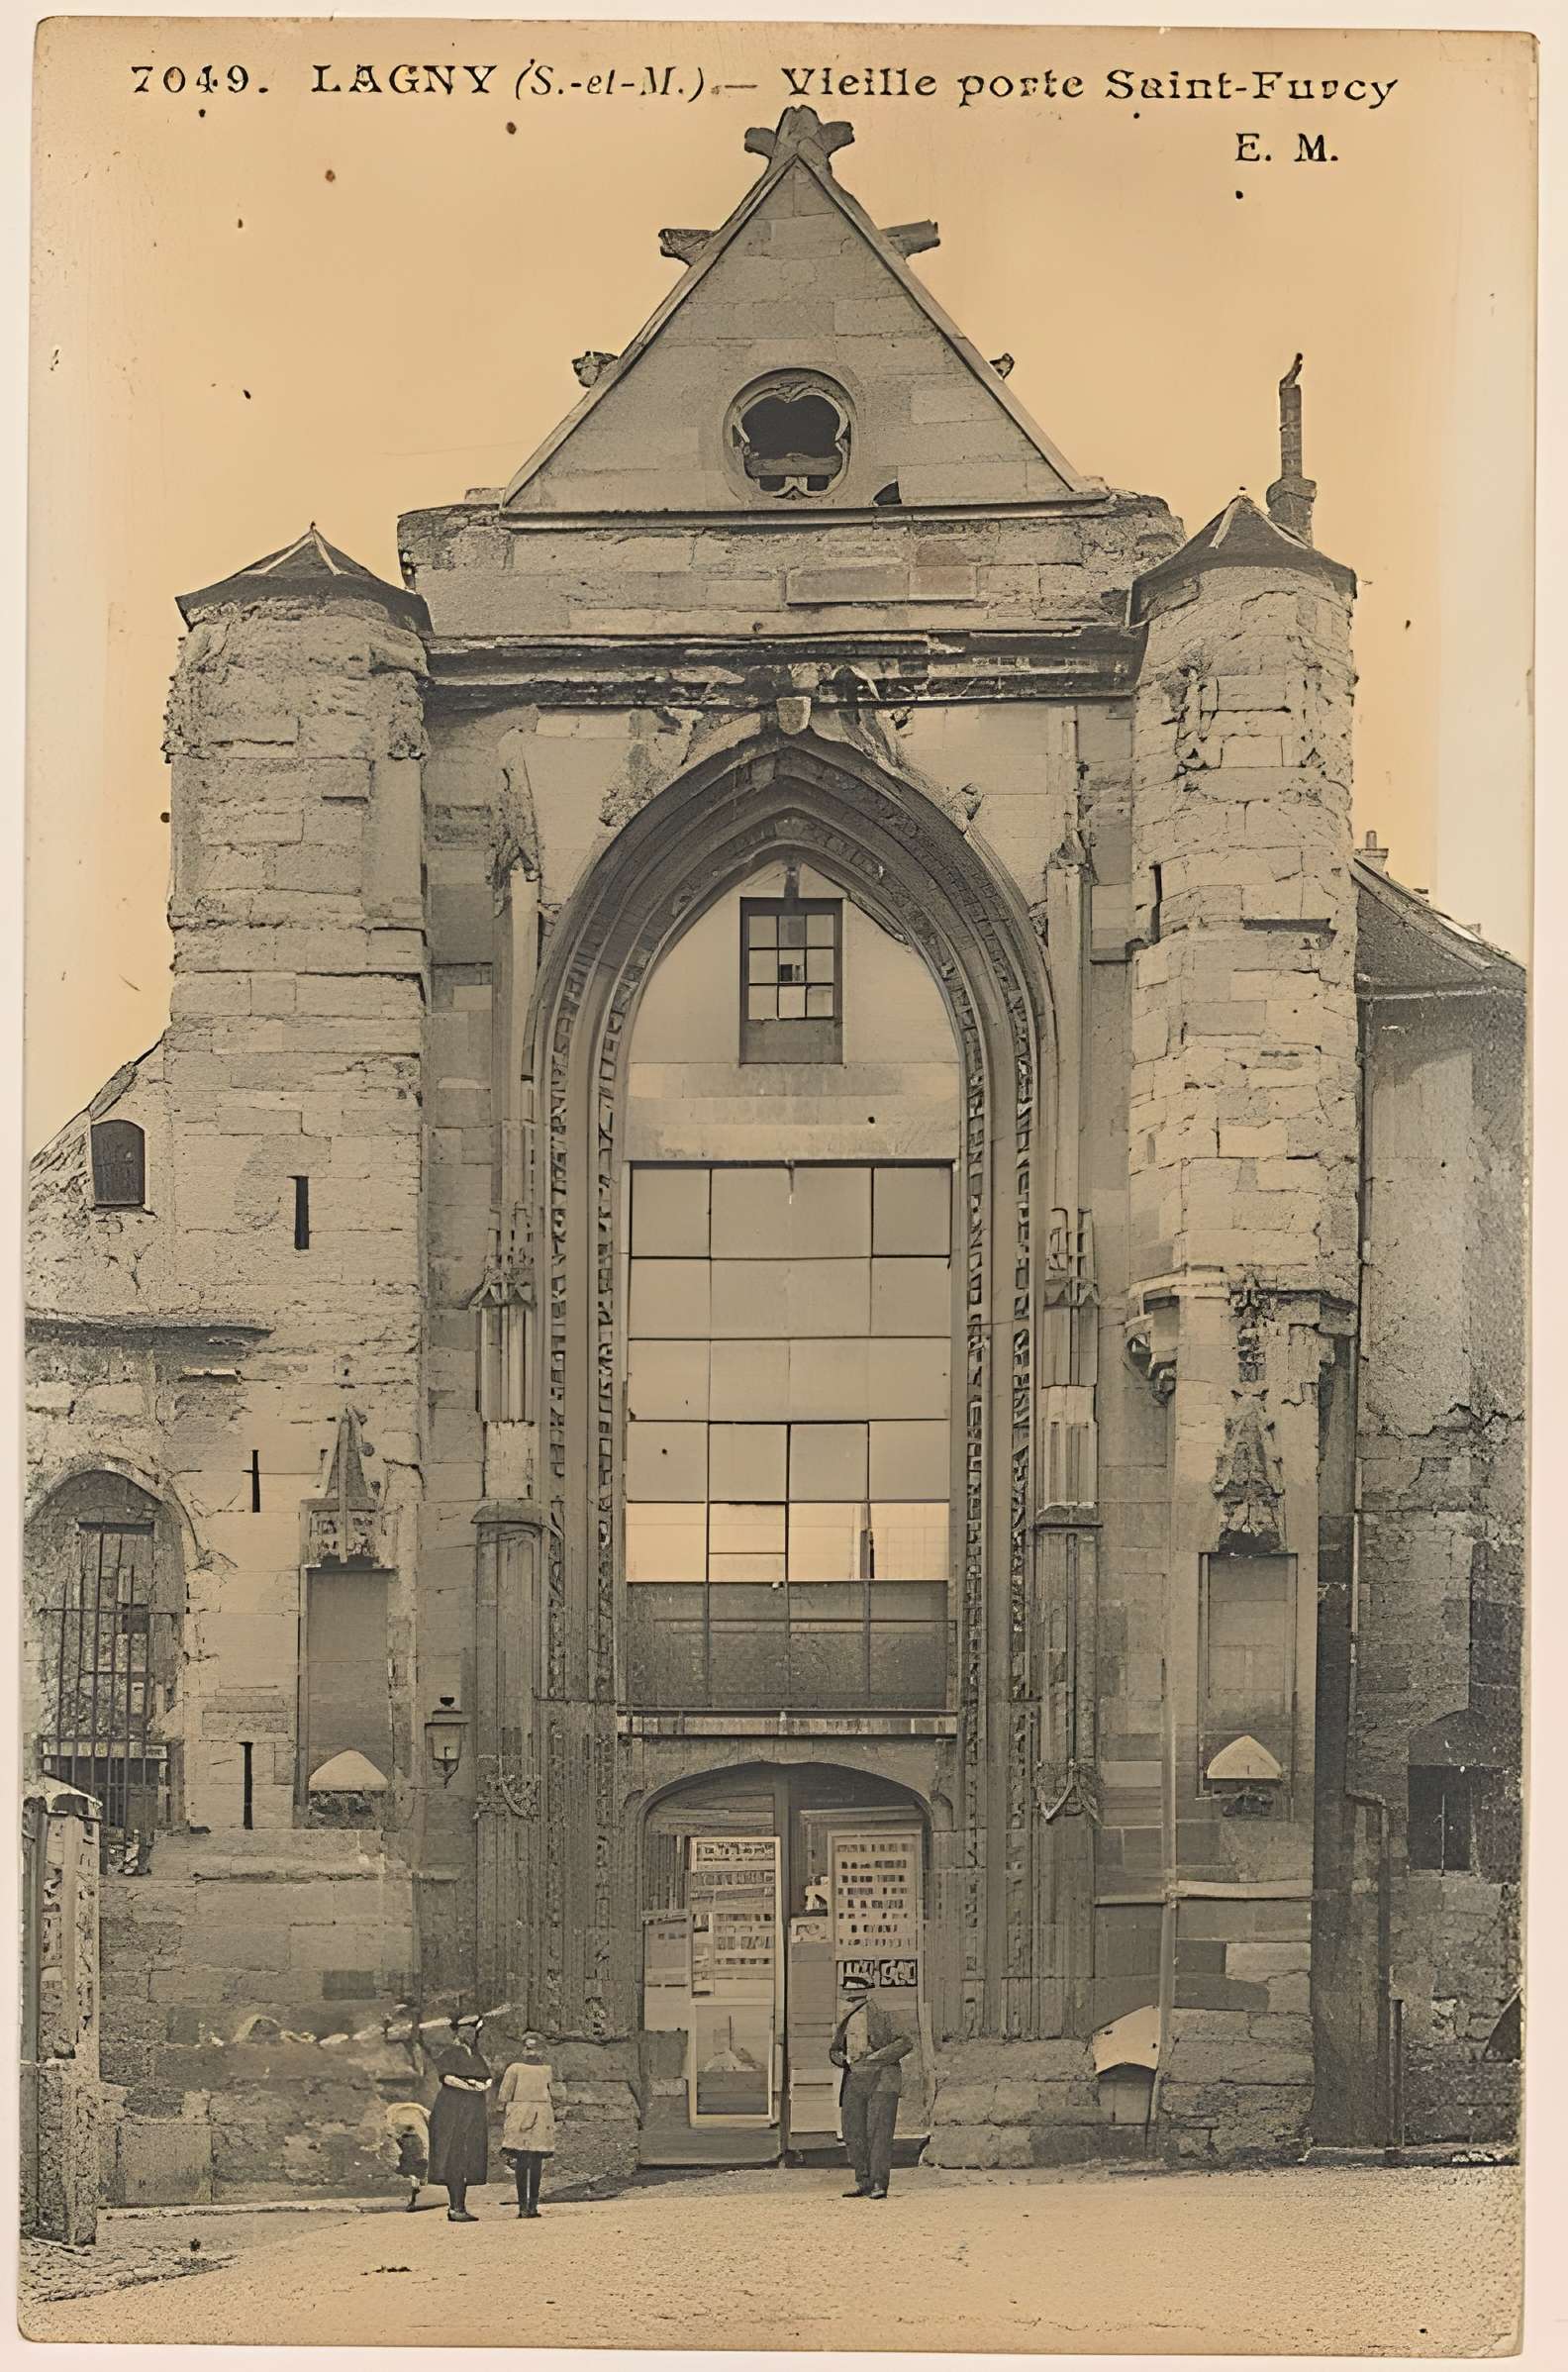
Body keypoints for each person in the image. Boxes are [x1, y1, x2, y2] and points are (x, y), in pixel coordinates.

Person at [829, 1971, 912, 2200]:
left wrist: (874, 2059)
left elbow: (905, 2042)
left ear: (864, 1992)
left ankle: (879, 2183)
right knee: (853, 2130)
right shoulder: (844, 2019)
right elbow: (835, 2049)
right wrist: (841, 2058)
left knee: (878, 2133)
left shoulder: (882, 2013)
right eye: (848, 1993)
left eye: (854, 1993)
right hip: (854, 2078)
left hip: (883, 2079)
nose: (850, 1997)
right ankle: (863, 2180)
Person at [427, 2012, 492, 2222]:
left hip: (473, 2113)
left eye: (474, 2031)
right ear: (459, 2032)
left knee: (467, 2156)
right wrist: (473, 2087)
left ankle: (460, 2206)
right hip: (452, 2112)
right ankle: (455, 2208)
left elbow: (487, 2079)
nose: (472, 2034)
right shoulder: (450, 2053)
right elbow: (448, 2078)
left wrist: (479, 2085)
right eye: (468, 2030)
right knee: (454, 2155)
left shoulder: (476, 2055)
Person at [496, 2031, 557, 2219]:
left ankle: (533, 2205)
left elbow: (554, 2092)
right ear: (523, 2049)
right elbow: (504, 2094)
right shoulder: (515, 2069)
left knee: (536, 2160)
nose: (531, 2052)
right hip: (522, 2115)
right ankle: (523, 2205)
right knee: (523, 2159)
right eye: (528, 2048)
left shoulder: (547, 2070)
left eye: (535, 2048)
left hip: (540, 2116)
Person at [383, 2098, 430, 2212]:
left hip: (414, 2154)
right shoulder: (399, 2118)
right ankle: (415, 2198)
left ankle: (416, 2198)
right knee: (414, 2175)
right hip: (412, 2155)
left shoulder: (413, 2130)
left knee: (416, 2175)